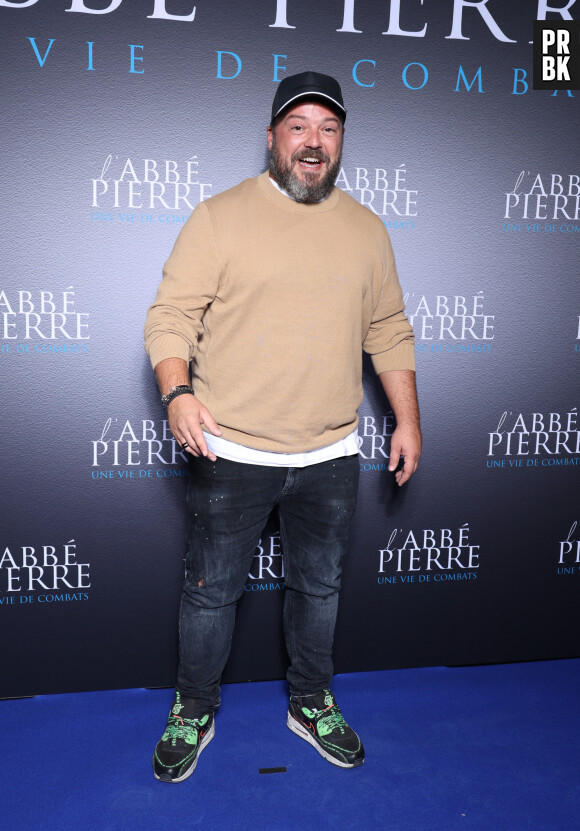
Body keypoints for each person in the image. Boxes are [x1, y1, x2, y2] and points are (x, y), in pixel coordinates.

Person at [144, 71, 421, 783]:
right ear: (271, 137)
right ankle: (192, 707)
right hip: (229, 446)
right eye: (298, 126)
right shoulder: (220, 215)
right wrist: (176, 391)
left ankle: (310, 701)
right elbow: (170, 315)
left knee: (320, 589)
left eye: (328, 129)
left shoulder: (367, 229)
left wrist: (407, 419)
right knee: (209, 592)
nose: (313, 142)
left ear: (340, 143)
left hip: (331, 451)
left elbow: (388, 330)